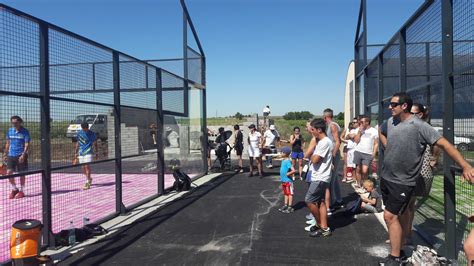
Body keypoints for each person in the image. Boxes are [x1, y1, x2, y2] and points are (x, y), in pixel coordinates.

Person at [378, 92, 474, 265]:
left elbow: (445, 145)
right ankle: (398, 249)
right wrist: (387, 145)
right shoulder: (390, 122)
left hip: (403, 181)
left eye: (393, 104)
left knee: (389, 216)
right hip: (387, 177)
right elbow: (381, 130)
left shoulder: (419, 126)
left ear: (404, 106)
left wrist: (465, 165)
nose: (389, 107)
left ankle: (395, 258)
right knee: (396, 216)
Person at [394, 103, 440, 246]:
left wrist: (434, 159)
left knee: (408, 205)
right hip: (409, 171)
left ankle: (405, 236)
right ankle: (405, 234)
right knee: (407, 205)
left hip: (420, 171)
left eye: (413, 113)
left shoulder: (425, 128)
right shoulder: (409, 126)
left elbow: (438, 144)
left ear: (420, 114)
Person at [305, 118, 333, 237]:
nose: (312, 132)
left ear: (319, 129)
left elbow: (315, 159)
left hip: (320, 178)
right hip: (321, 176)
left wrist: (311, 156)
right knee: (321, 202)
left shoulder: (324, 142)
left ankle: (320, 224)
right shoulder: (321, 141)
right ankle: (324, 227)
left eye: (313, 130)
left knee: (309, 200)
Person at [4, 116, 30, 199]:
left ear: (20, 122)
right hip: (11, 155)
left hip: (20, 155)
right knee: (8, 173)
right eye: (12, 123)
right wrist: (5, 154)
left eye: (16, 123)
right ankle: (14, 189)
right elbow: (8, 143)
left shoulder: (25, 132)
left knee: (21, 173)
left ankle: (22, 191)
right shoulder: (10, 131)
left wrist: (23, 154)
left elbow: (27, 144)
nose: (14, 124)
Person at [323, 108, 343, 215]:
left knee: (330, 180)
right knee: (334, 179)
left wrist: (333, 155)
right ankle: (339, 199)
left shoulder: (332, 126)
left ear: (325, 117)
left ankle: (330, 204)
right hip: (332, 154)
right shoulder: (331, 125)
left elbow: (337, 142)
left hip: (333, 155)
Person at [353, 114, 378, 190]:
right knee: (358, 169)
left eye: (362, 122)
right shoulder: (359, 130)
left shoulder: (374, 131)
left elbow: (376, 143)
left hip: (367, 153)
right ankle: (359, 184)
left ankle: (365, 184)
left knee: (365, 170)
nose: (360, 123)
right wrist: (359, 132)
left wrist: (374, 153)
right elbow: (356, 141)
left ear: (367, 122)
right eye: (359, 122)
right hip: (358, 151)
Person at [75, 122, 98, 190]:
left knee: (87, 166)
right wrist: (75, 152)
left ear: (88, 127)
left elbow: (95, 143)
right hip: (81, 152)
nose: (85, 130)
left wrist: (96, 152)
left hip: (89, 152)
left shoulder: (92, 134)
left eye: (86, 129)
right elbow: (78, 142)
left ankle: (87, 182)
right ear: (82, 128)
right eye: (84, 129)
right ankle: (89, 178)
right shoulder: (79, 133)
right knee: (83, 167)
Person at [278, 146, 296, 213]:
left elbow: (293, 170)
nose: (281, 153)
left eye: (282, 152)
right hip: (283, 181)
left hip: (288, 181)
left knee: (290, 194)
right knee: (285, 193)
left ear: (285, 153)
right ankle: (285, 205)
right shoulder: (283, 160)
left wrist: (289, 173)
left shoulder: (288, 161)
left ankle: (290, 207)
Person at [343, 118, 359, 183]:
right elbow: (346, 137)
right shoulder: (352, 130)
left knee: (355, 165)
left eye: (355, 122)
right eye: (353, 122)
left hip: (355, 149)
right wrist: (349, 135)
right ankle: (350, 177)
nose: (353, 124)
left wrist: (350, 136)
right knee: (350, 164)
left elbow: (353, 137)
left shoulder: (359, 130)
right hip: (349, 149)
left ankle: (355, 178)